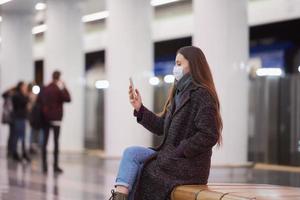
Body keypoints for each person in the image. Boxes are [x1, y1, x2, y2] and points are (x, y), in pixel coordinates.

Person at [108, 46, 223, 200]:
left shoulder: (202, 94)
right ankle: (119, 198)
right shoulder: (178, 93)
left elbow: (209, 134)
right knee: (131, 153)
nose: (176, 68)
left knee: (145, 170)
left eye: (179, 63)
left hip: (188, 163)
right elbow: (162, 126)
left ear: (193, 65)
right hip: (170, 156)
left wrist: (181, 149)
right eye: (176, 64)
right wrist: (139, 108)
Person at [41, 70, 71, 174]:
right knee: (56, 142)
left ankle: (44, 166)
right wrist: (64, 87)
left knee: (44, 142)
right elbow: (68, 99)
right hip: (56, 119)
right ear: (59, 77)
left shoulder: (46, 88)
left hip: (45, 119)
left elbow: (41, 101)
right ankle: (55, 165)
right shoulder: (58, 89)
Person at [11, 81, 31, 162]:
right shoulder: (17, 95)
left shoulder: (21, 95)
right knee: (18, 136)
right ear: (21, 87)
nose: (26, 88)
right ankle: (15, 153)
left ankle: (23, 153)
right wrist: (27, 96)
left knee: (22, 136)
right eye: (24, 86)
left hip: (22, 118)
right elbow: (24, 102)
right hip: (18, 118)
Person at [2, 88, 16, 158]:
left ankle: (11, 150)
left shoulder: (11, 97)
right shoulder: (8, 98)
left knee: (12, 135)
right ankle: (10, 150)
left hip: (12, 118)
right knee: (12, 135)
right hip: (11, 119)